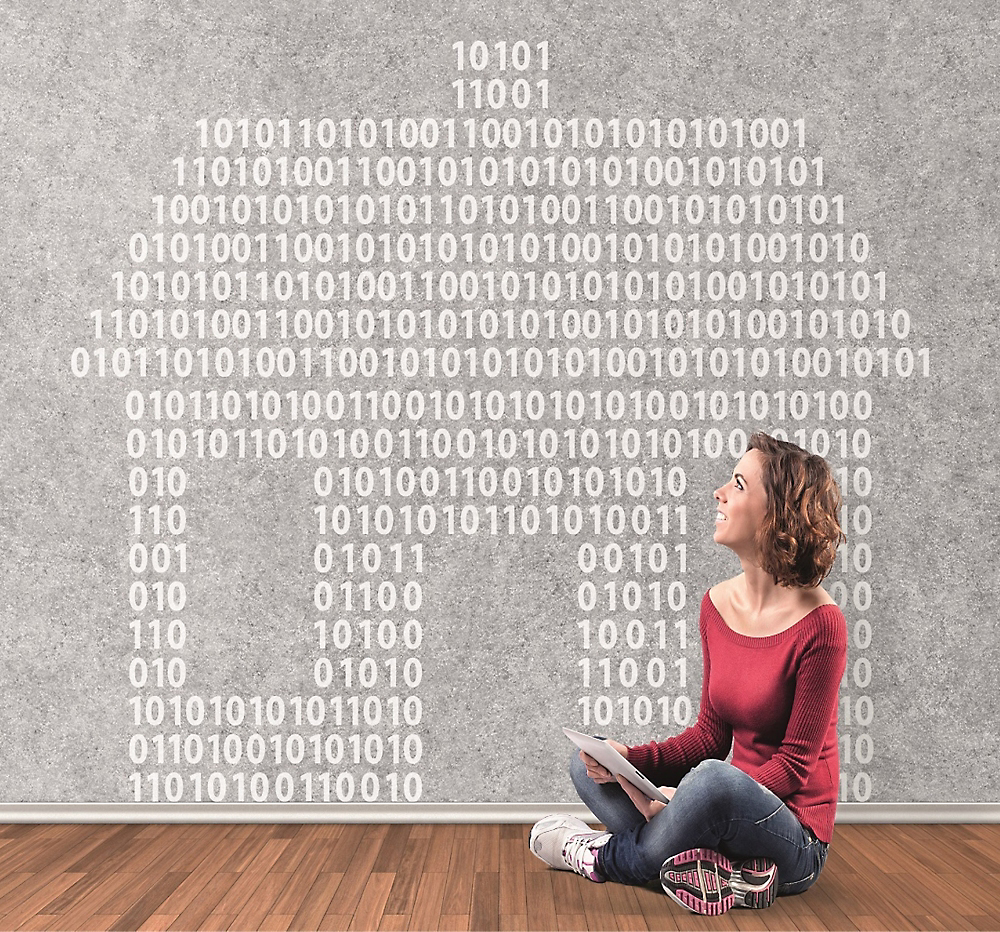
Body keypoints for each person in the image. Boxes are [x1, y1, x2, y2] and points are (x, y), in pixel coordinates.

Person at [529, 432, 848, 916]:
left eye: (738, 485)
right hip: (721, 813)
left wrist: (689, 803)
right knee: (587, 762)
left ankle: (593, 854)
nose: (719, 492)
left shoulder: (822, 624)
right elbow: (709, 736)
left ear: (776, 515)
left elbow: (795, 765)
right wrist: (628, 759)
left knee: (713, 783)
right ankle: (730, 876)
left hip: (794, 836)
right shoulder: (715, 607)